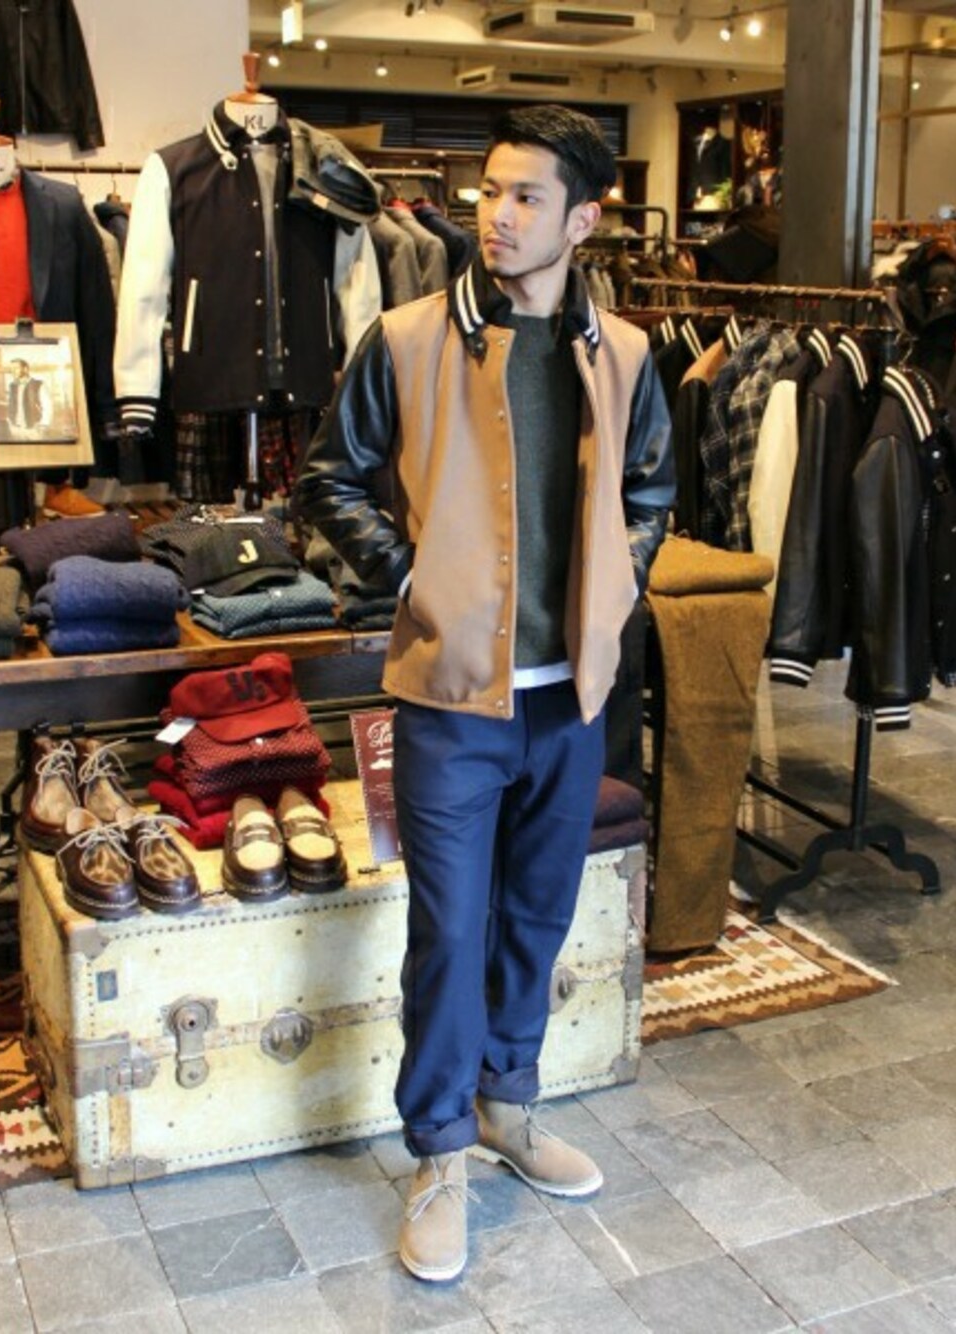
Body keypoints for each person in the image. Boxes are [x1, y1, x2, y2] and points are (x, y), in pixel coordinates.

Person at [297, 104, 674, 1283]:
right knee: (449, 930)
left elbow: (652, 489)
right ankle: (439, 1150)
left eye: (525, 198)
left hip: (571, 699)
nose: (495, 217)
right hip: (449, 695)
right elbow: (328, 478)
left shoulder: (623, 352)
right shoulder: (409, 338)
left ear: (584, 219)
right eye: (489, 192)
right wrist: (415, 579)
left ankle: (507, 1105)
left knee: (536, 915)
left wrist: (615, 590)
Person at [5, 358, 51, 436]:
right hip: (15, 429)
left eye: (16, 368)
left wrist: (44, 424)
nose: (12, 371)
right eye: (11, 369)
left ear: (25, 369)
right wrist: (9, 422)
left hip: (34, 429)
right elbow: (10, 404)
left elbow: (47, 406)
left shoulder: (38, 384)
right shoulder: (12, 386)